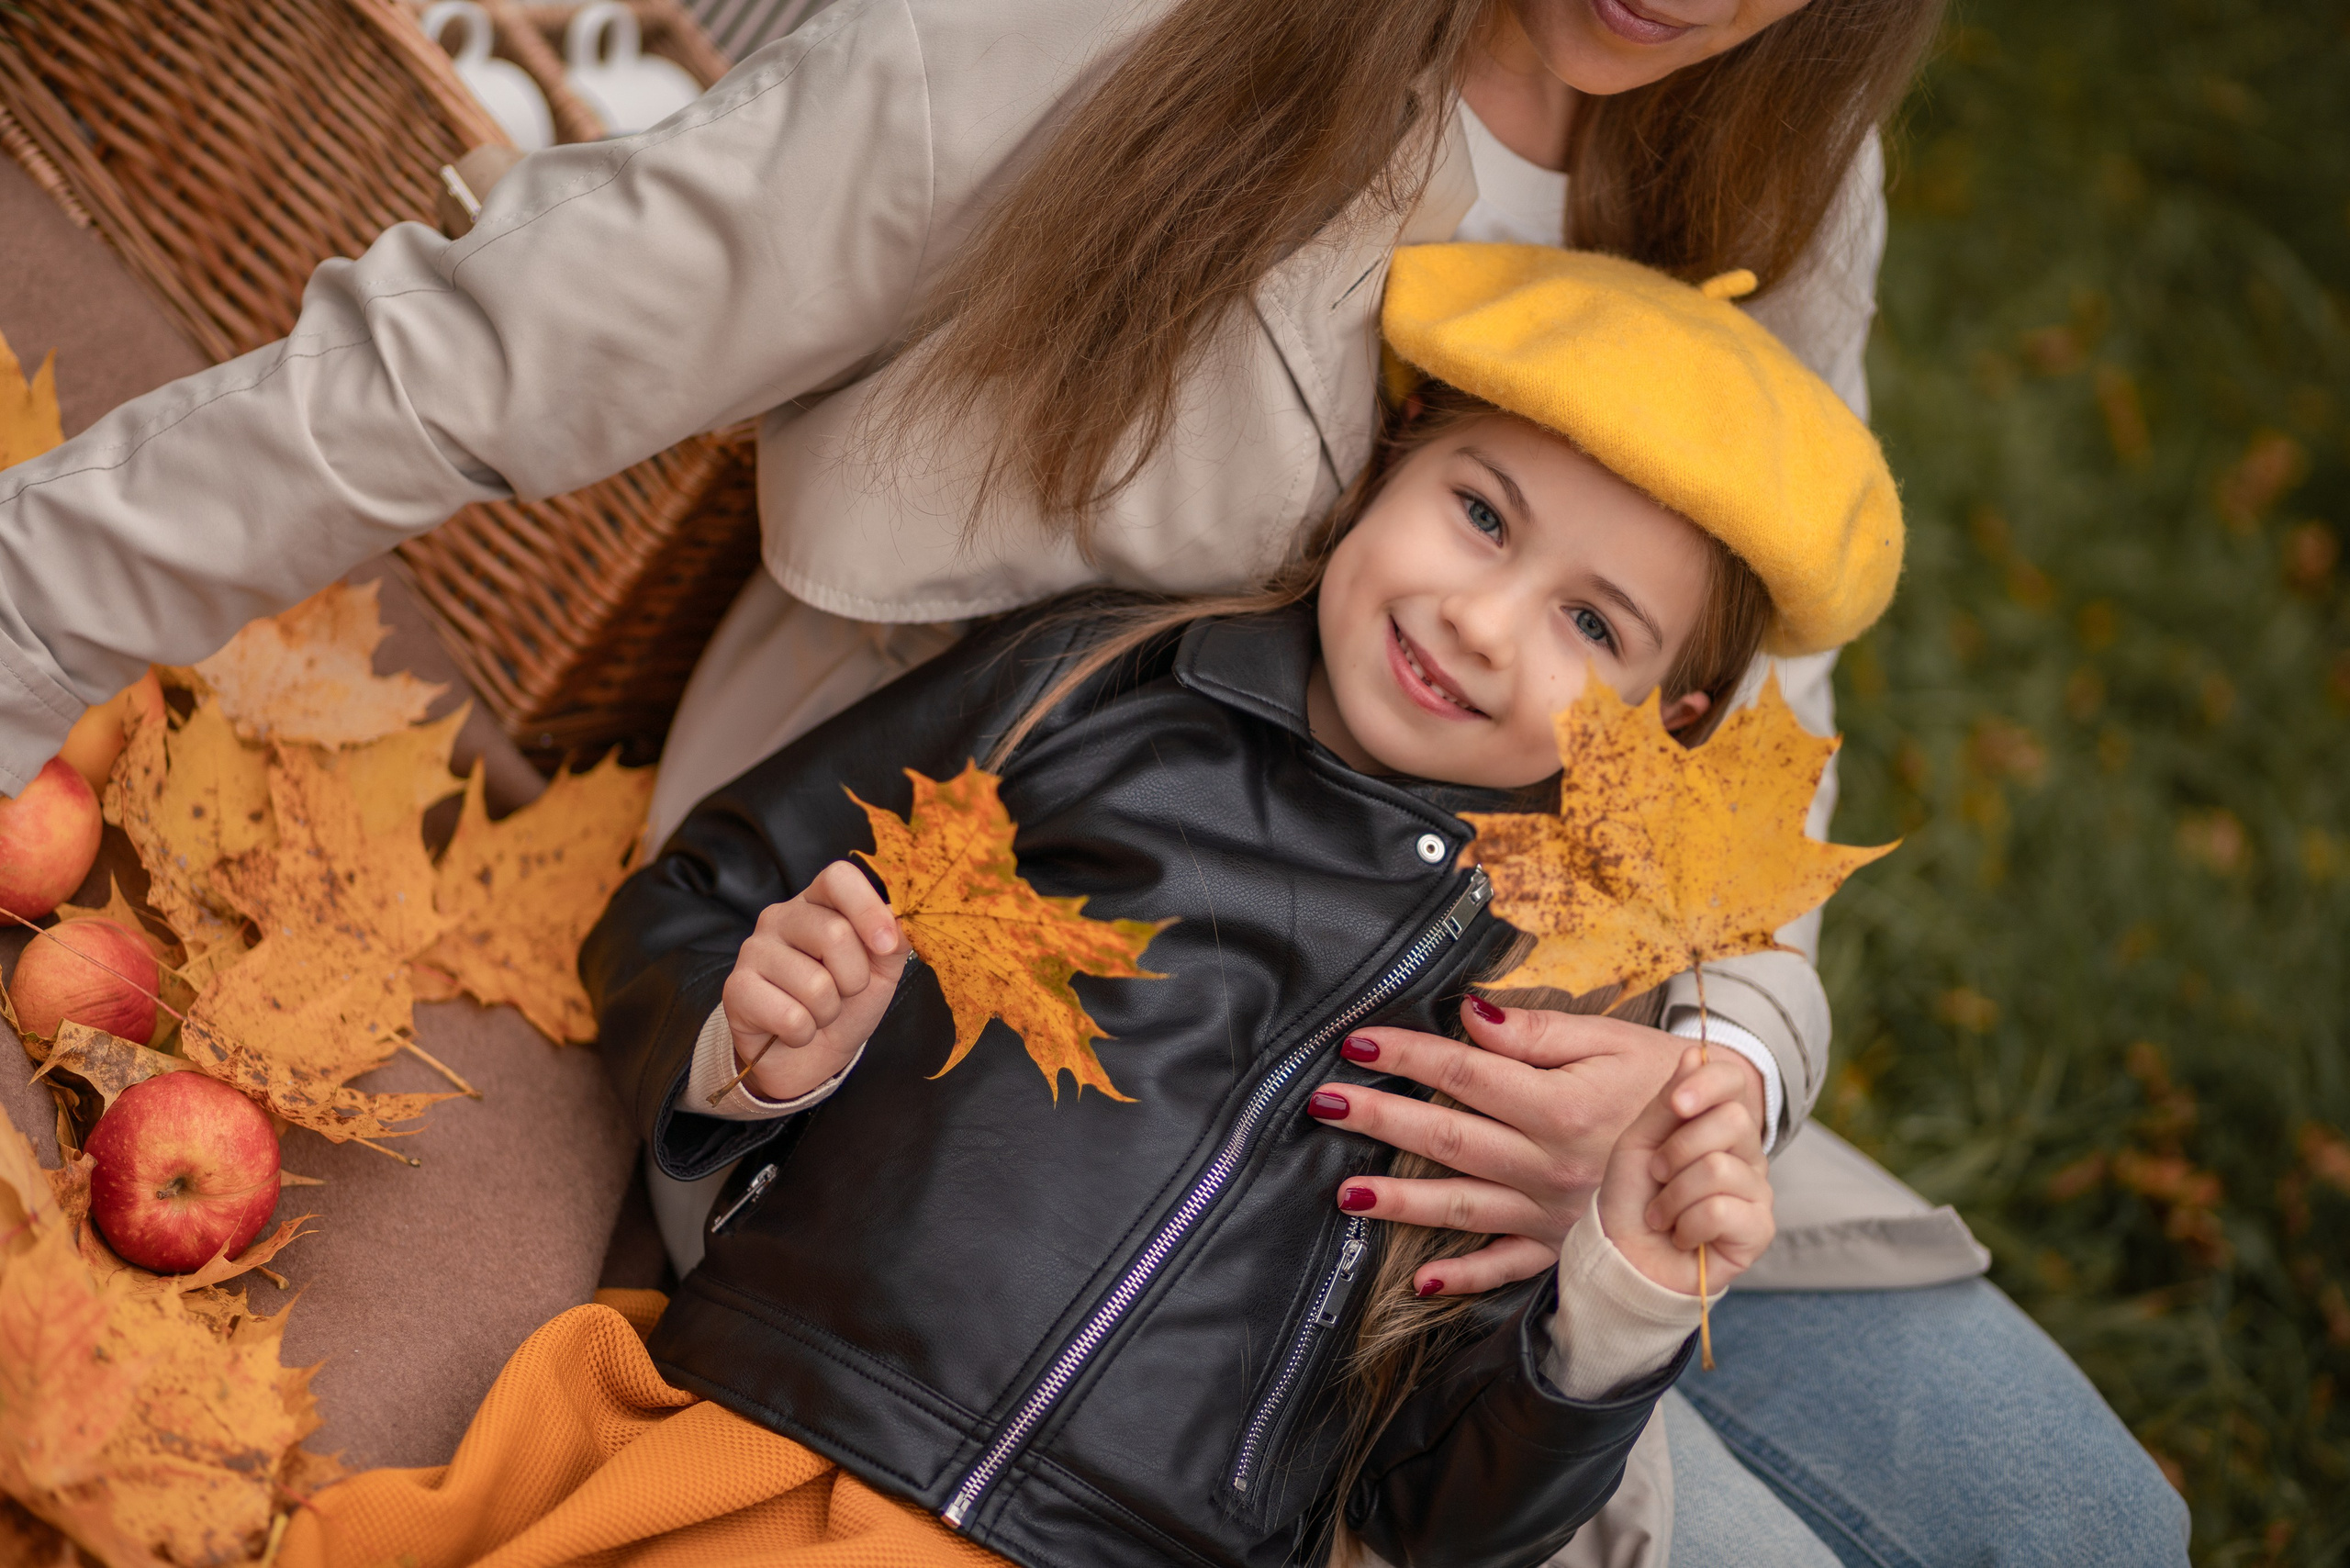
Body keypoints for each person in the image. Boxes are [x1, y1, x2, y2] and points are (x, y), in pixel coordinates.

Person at [0, 0, 2184, 1560]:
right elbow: (465, 366)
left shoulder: (1776, 134)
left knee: (2076, 1516)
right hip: (996, 1029)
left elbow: (1760, 742)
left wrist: (1700, 1059)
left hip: (1476, 1080)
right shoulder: (1088, 37)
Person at [581, 246, 1855, 1566]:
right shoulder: (1102, 682)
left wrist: (1618, 1304)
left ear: (1672, 724)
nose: (1483, 622)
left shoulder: (1555, 1026)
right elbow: (688, 902)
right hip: (777, 1438)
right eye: (1482, 515)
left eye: (1593, 628)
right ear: (1393, 456)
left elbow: (1440, 1525)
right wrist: (753, 1059)